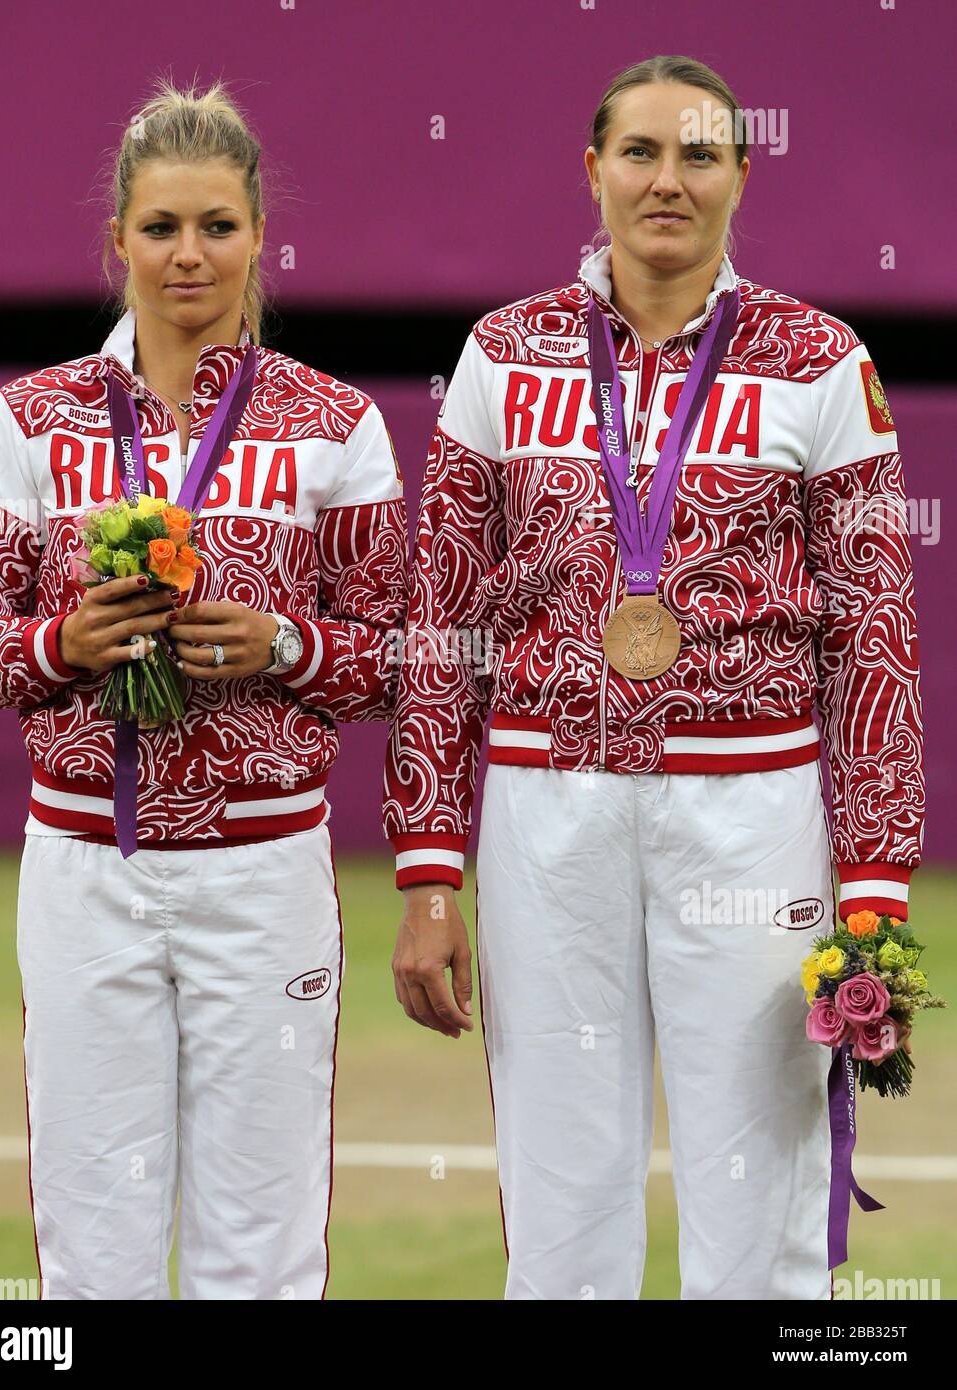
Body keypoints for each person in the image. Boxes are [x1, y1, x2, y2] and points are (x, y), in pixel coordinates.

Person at [383, 54, 924, 1300]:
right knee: (562, 1179)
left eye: (698, 154)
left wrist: (877, 880)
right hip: (546, 807)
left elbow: (875, 634)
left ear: (741, 173)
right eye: (640, 151)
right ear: (593, 170)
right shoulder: (501, 352)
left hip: (749, 814)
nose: (666, 179)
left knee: (760, 1186)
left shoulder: (818, 358)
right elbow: (441, 614)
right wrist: (425, 861)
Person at [0, 79, 407, 1300]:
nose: (188, 254)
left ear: (259, 237)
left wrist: (281, 648)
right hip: (87, 872)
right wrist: (68, 639)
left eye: (215, 226)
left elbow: (398, 656)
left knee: (261, 1243)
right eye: (160, 228)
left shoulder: (334, 423)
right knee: (94, 1244)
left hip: (264, 876)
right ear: (117, 244)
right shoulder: (29, 420)